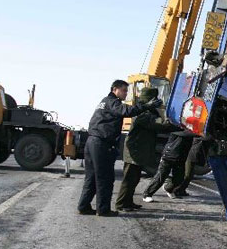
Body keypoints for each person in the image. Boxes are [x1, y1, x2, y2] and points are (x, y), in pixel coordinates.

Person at [77, 80, 162, 217]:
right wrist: (147, 106)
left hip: (92, 142)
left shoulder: (105, 101)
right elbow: (126, 111)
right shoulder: (113, 102)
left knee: (91, 177)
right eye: (124, 90)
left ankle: (83, 206)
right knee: (105, 178)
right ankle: (103, 210)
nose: (126, 93)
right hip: (101, 143)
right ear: (115, 89)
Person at [115, 88, 176, 212]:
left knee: (135, 178)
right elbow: (158, 126)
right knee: (129, 179)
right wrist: (170, 123)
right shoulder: (144, 112)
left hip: (138, 150)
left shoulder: (145, 110)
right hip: (135, 151)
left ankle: (128, 202)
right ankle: (121, 204)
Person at [142, 131, 195, 202]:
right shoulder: (178, 127)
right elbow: (184, 133)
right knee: (161, 176)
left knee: (179, 178)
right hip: (169, 155)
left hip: (181, 157)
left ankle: (168, 188)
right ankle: (147, 194)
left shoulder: (190, 131)